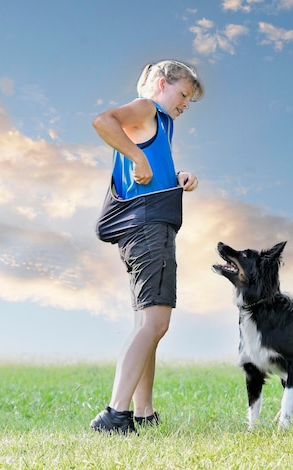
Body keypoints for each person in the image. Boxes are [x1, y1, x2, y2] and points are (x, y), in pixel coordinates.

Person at [90, 60, 204, 434]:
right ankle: (115, 414)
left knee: (148, 323)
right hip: (147, 228)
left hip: (150, 225)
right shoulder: (147, 107)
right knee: (156, 322)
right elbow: (103, 121)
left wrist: (178, 176)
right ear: (161, 83)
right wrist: (138, 157)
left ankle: (143, 412)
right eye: (183, 93)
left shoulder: (160, 124)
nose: (185, 104)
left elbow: (150, 172)